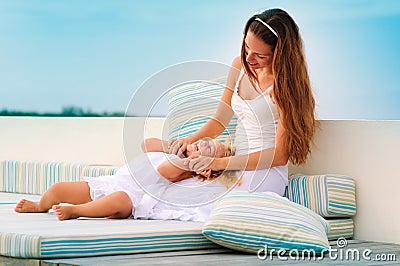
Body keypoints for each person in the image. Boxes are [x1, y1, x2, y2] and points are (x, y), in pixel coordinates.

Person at [169, 8, 316, 196]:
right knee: (168, 181)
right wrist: (188, 140)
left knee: (197, 199)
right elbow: (219, 121)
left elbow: (279, 156)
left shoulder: (286, 86)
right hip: (234, 163)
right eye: (247, 47)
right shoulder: (239, 66)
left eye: (260, 56)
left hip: (265, 171)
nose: (249, 58)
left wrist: (218, 163)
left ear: (280, 54)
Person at [14, 138, 236, 221]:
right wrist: (172, 145)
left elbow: (163, 173)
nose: (200, 145)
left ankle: (77, 211)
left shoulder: (186, 171)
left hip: (134, 198)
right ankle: (39, 205)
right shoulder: (174, 153)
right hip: (115, 182)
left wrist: (191, 163)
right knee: (57, 189)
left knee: (119, 200)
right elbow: (146, 144)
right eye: (204, 141)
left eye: (207, 149)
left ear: (207, 168)